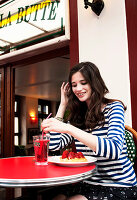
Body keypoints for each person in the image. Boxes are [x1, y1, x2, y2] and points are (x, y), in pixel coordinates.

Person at [41, 62, 137, 200]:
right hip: (88, 182)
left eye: (83, 83)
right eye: (74, 85)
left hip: (119, 185)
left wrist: (69, 128)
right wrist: (62, 105)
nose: (78, 88)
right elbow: (54, 145)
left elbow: (114, 150)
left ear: (94, 83)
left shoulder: (114, 108)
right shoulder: (78, 116)